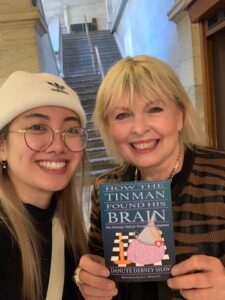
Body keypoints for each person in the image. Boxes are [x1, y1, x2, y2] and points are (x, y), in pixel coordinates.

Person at [74, 55, 225, 300]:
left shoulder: (220, 176)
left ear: (180, 115)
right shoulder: (106, 188)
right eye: (122, 115)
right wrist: (86, 280)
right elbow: (98, 271)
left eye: (154, 109)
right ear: (108, 127)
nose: (140, 128)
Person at [0, 71, 90, 300]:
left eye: (71, 130)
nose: (58, 146)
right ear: (2, 146)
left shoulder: (69, 228)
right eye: (37, 127)